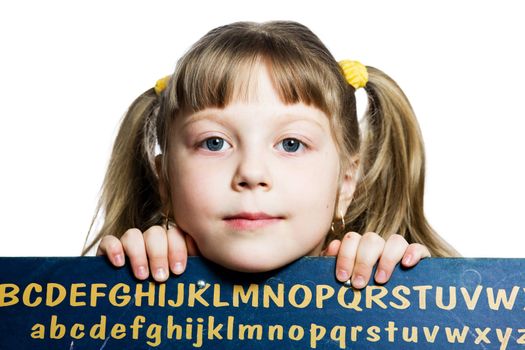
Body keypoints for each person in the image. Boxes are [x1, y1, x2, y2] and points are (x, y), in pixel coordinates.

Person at [83, 21, 458, 290]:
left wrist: (409, 295)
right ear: (164, 180)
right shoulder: (120, 287)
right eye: (214, 142)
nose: (251, 173)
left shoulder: (399, 289)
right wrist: (114, 288)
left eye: (291, 144)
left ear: (346, 183)